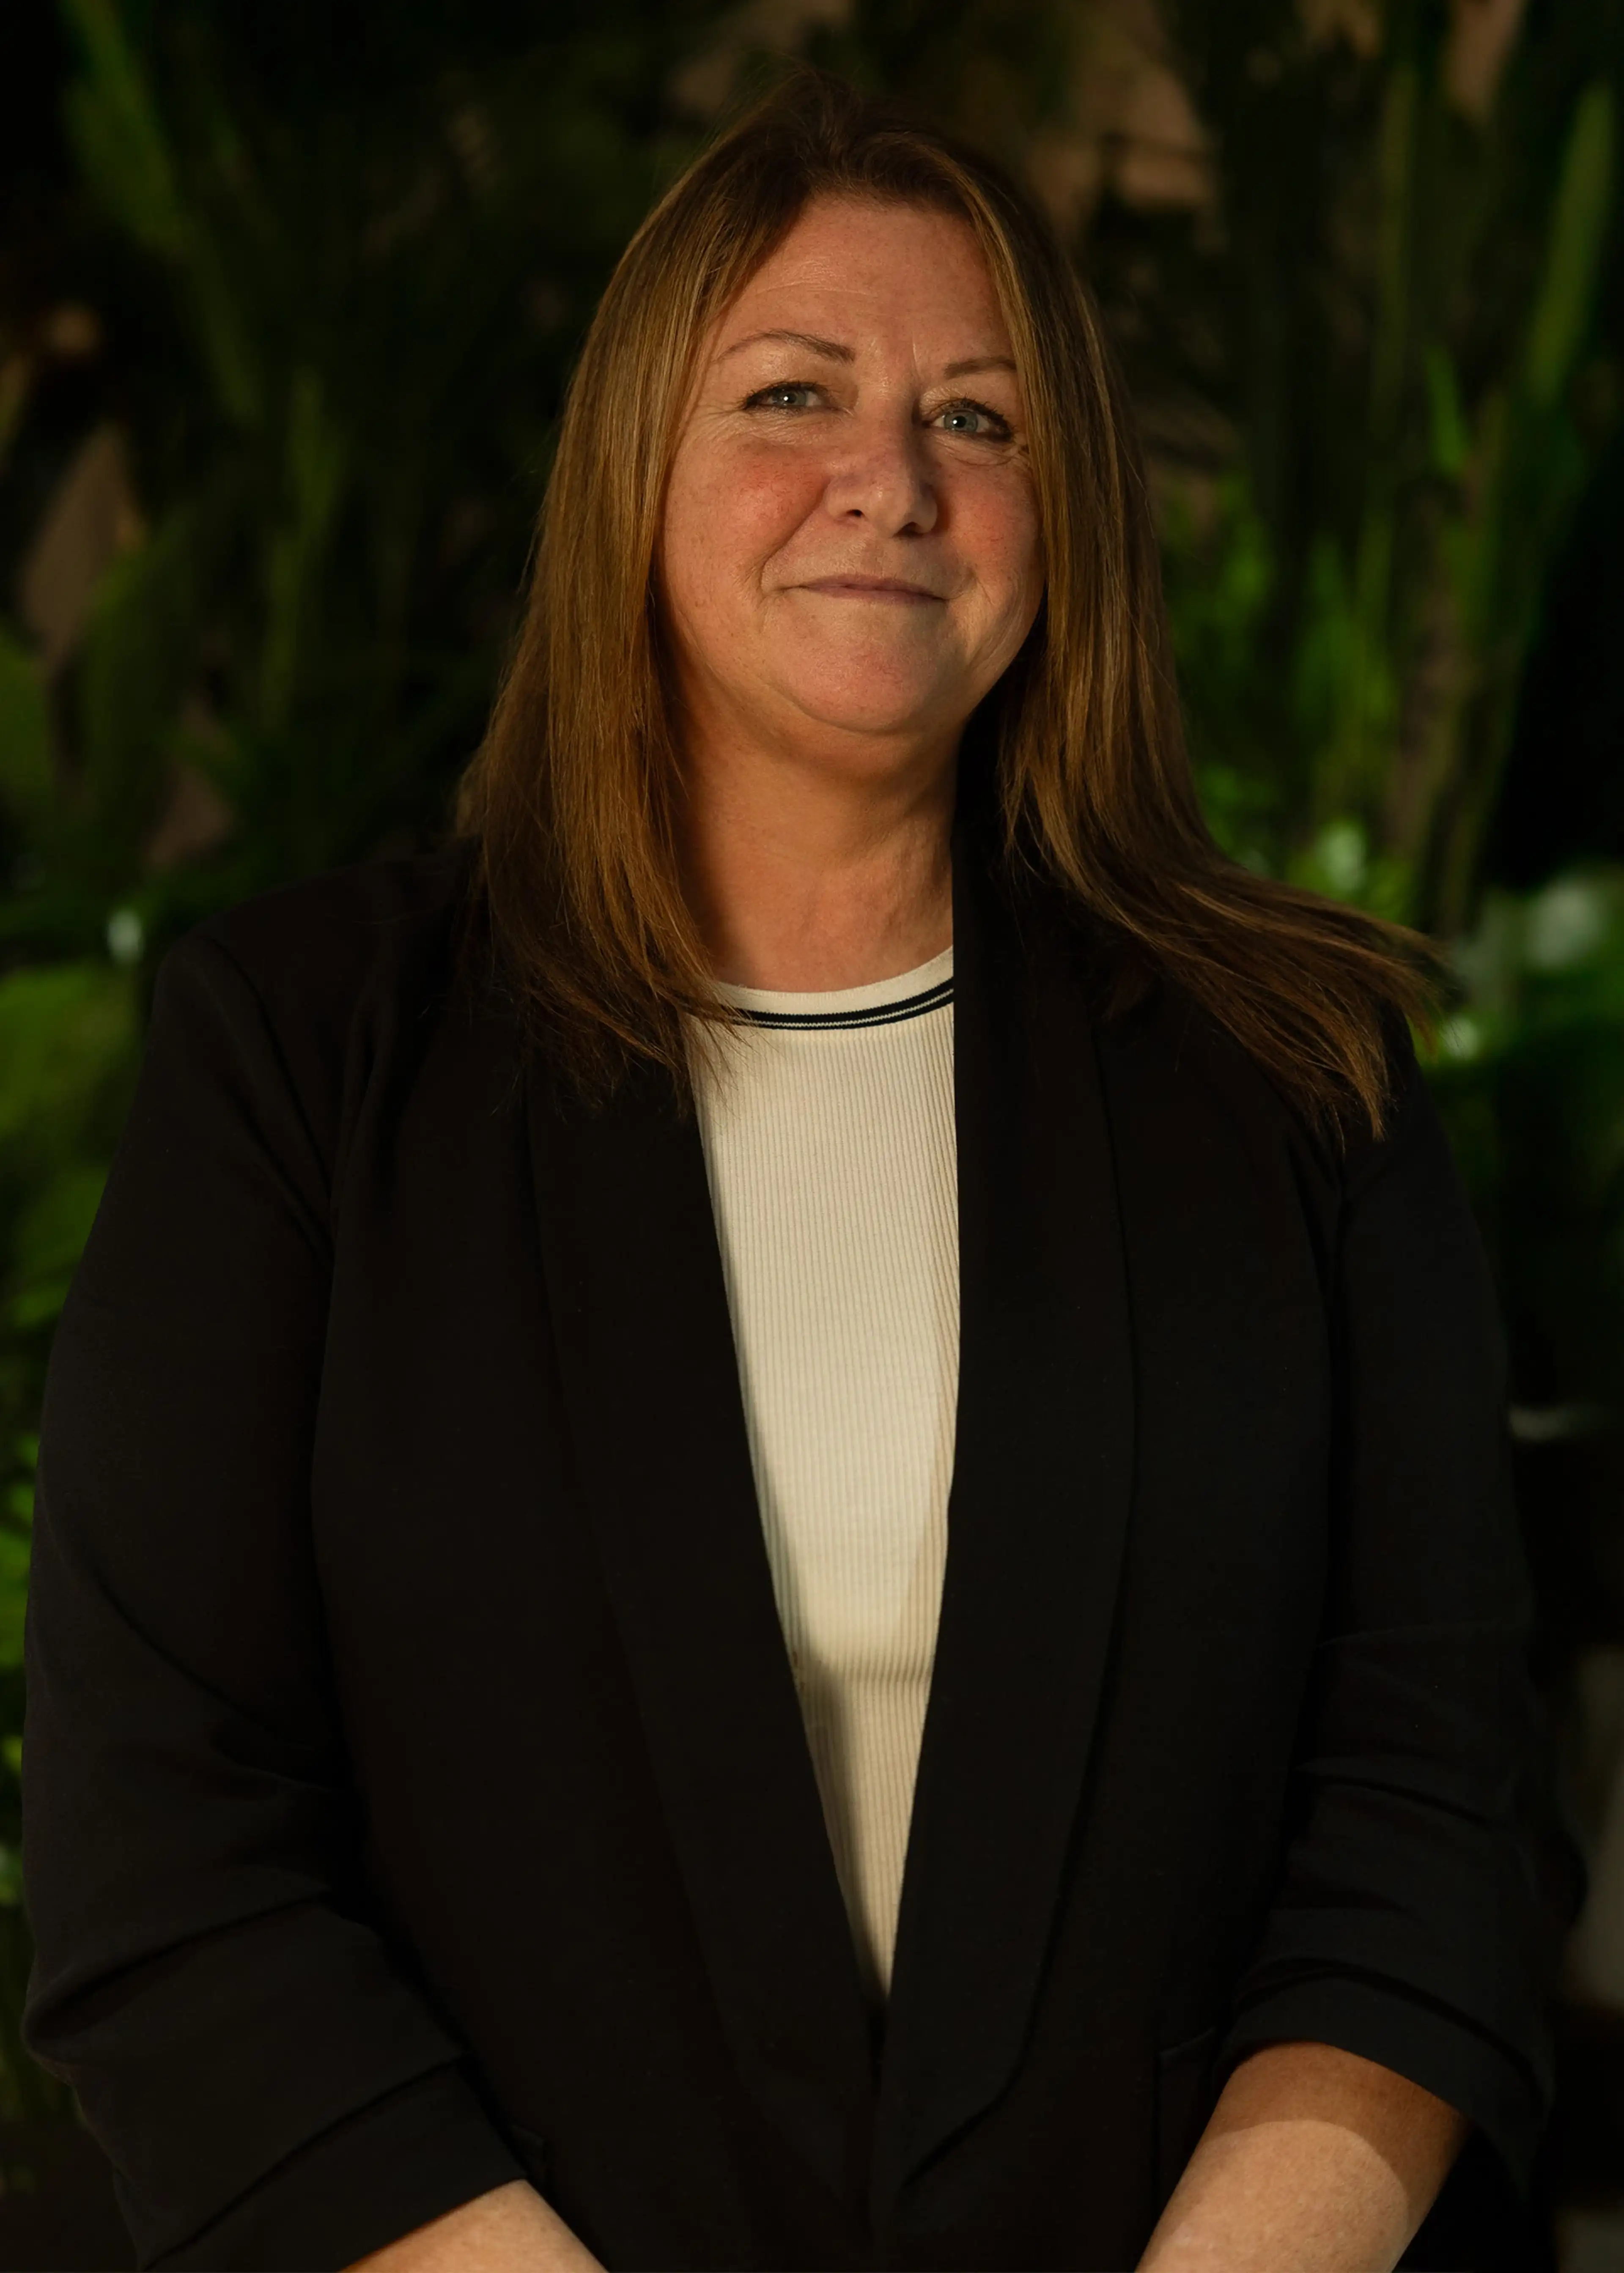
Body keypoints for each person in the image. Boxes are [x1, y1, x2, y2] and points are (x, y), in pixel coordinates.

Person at [21, 67, 1571, 2273]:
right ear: (634, 469)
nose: (894, 482)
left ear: (1069, 515)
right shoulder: (298, 1055)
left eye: (982, 419)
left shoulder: (1298, 1073)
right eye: (793, 393)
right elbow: (167, 1865)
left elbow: (1438, 1814)